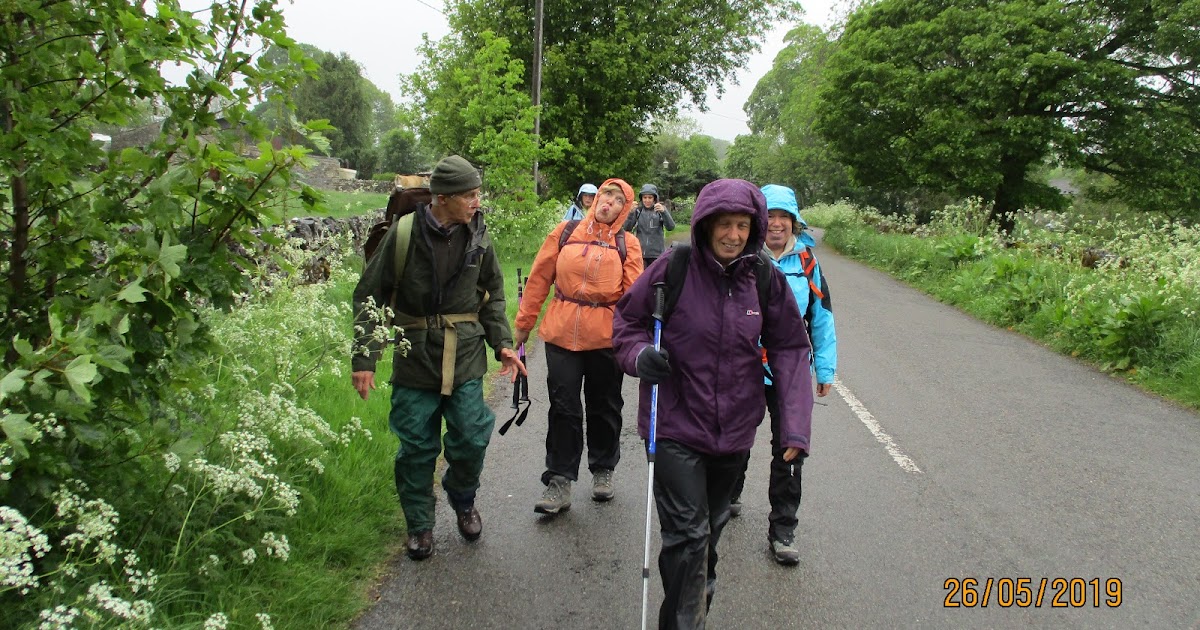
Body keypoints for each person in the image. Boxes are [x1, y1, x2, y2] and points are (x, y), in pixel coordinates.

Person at [612, 179, 814, 629]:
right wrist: (640, 355)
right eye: (724, 224)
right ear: (705, 225)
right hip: (674, 425)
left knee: (705, 540)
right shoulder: (674, 267)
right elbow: (627, 321)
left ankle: (692, 607)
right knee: (689, 536)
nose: (734, 235)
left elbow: (790, 349)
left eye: (743, 225)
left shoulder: (763, 277)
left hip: (734, 434)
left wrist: (795, 427)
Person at [351, 154, 527, 561]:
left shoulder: (480, 237)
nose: (477, 202)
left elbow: (492, 295)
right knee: (415, 446)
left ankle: (463, 499)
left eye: (478, 194)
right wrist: (365, 358)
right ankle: (419, 526)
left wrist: (501, 342)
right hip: (415, 358)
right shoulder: (403, 234)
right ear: (443, 198)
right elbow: (369, 295)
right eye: (469, 195)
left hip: (465, 355)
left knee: (471, 435)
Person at [515, 179, 643, 514]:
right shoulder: (565, 232)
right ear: (594, 198)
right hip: (561, 334)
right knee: (563, 406)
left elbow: (633, 299)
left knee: (604, 406)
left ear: (624, 209)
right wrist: (523, 325)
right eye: (605, 195)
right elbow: (540, 278)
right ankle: (559, 479)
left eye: (618, 200)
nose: (609, 202)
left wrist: (636, 341)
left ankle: (603, 468)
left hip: (605, 338)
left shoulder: (628, 244)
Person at [727, 184, 837, 566]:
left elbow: (821, 319)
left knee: (790, 447)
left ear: (794, 222)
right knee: (735, 437)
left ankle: (783, 528)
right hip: (743, 368)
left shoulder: (807, 263)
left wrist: (825, 368)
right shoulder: (742, 258)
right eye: (769, 216)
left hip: (789, 373)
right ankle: (729, 493)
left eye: (783, 217)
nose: (776, 224)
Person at [623, 183, 676, 268]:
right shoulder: (638, 211)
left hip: (657, 255)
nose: (647, 200)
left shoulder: (660, 210)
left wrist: (664, 212)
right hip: (640, 254)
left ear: (655, 198)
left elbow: (671, 227)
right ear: (641, 198)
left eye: (650, 197)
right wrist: (630, 213)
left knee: (655, 280)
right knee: (642, 279)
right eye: (645, 197)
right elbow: (626, 228)